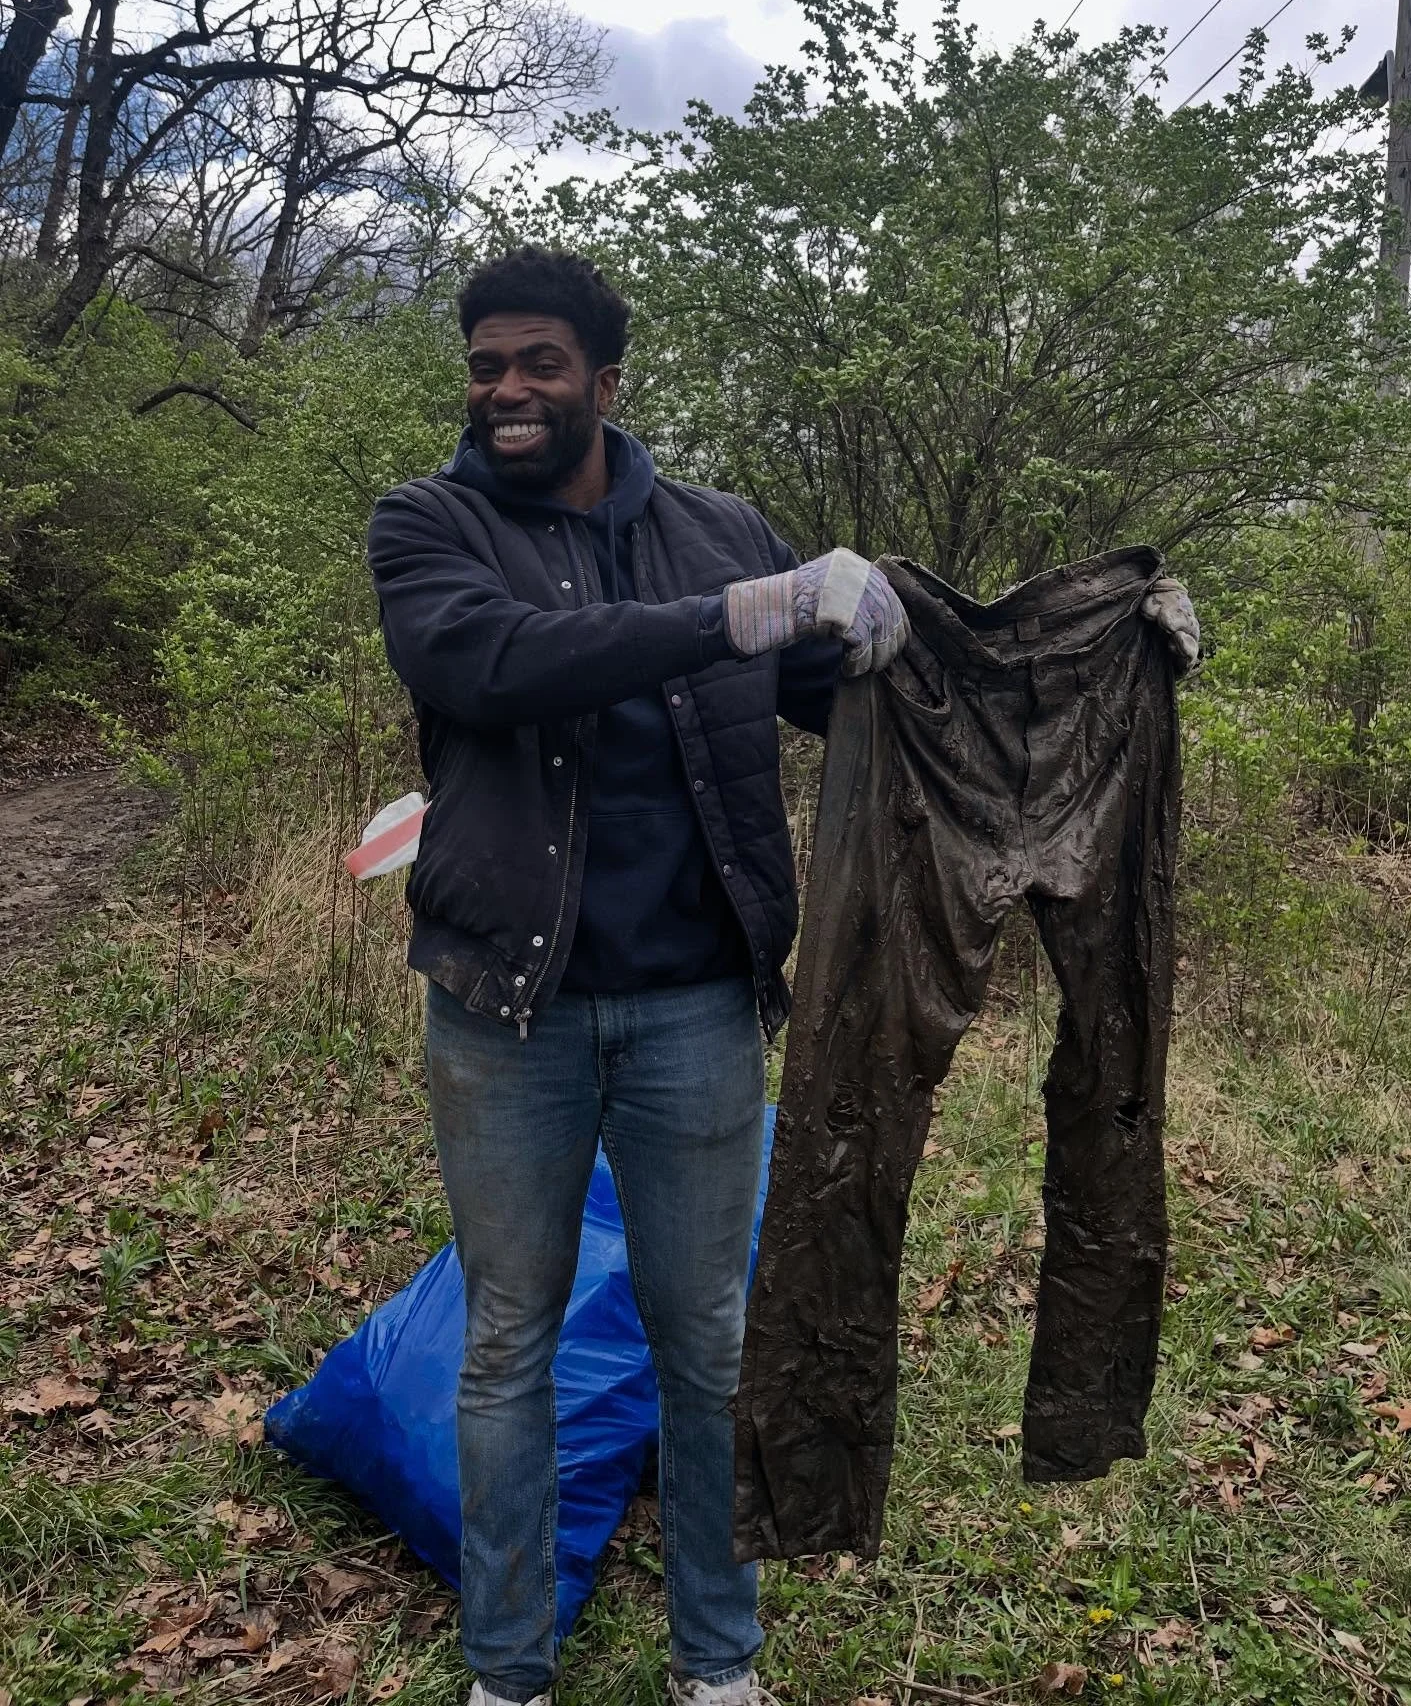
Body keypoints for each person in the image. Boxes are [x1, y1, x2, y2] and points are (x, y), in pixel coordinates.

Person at [367, 245, 1200, 1706]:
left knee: (708, 1342)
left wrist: (1109, 657)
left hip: (700, 1006)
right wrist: (749, 611)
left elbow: (890, 692)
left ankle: (719, 1661)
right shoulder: (429, 526)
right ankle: (506, 1668)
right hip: (507, 1011)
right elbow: (483, 665)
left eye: (537, 363)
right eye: (486, 363)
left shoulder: (718, 529)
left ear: (605, 383)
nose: (505, 389)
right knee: (510, 1342)